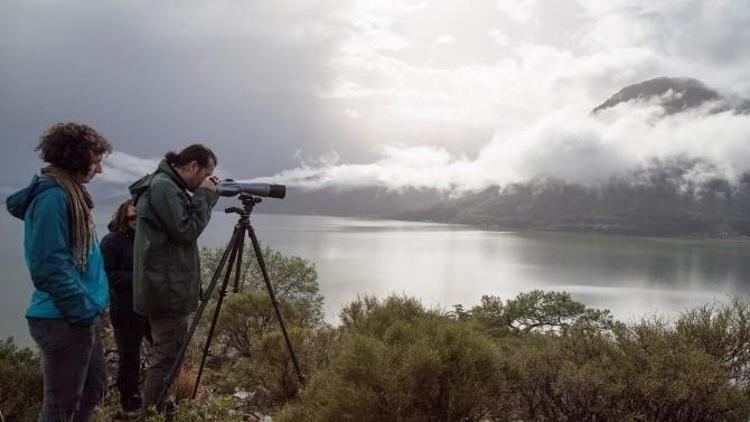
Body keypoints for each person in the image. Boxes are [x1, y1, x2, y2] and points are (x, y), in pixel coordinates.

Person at [5, 122, 112, 422]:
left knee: (93, 388)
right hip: (62, 318)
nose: (99, 170)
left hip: (77, 314)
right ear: (76, 158)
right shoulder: (54, 198)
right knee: (62, 405)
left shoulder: (70, 194)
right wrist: (82, 311)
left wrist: (91, 310)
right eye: (96, 161)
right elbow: (48, 266)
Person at [129, 144, 219, 416]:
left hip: (164, 286)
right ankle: (152, 414)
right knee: (167, 358)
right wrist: (205, 196)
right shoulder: (164, 187)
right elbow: (186, 229)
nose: (207, 180)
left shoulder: (166, 185)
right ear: (193, 166)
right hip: (165, 290)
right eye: (206, 174)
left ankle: (158, 408)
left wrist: (201, 193)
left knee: (169, 356)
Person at [101, 199, 152, 415]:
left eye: (140, 216)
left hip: (151, 306)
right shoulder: (111, 241)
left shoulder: (149, 239)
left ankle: (159, 391)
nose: (136, 221)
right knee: (129, 356)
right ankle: (130, 400)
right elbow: (107, 275)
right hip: (125, 308)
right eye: (132, 217)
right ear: (123, 217)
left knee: (163, 347)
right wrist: (140, 279)